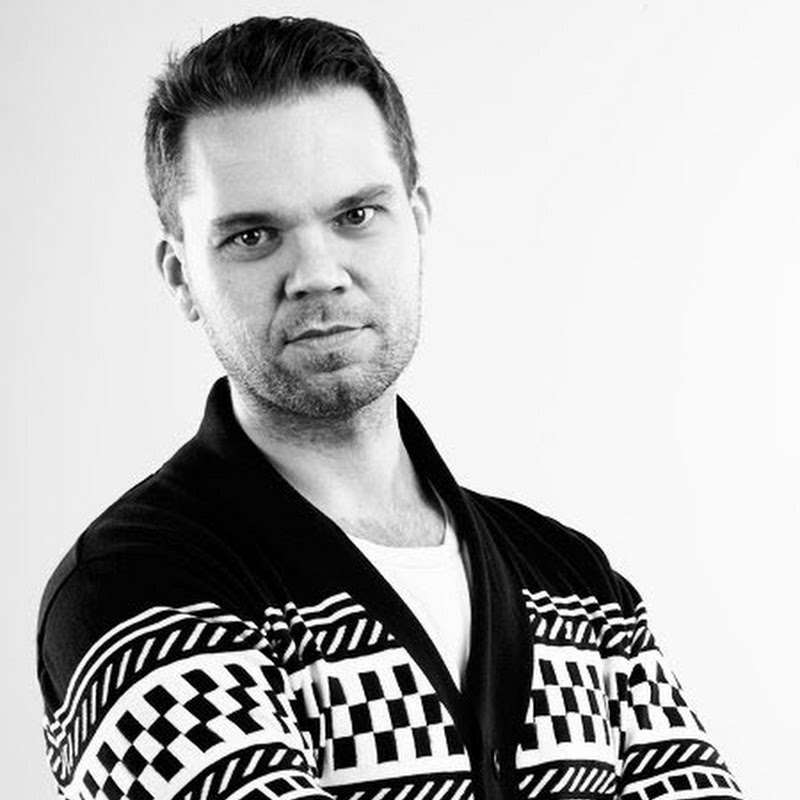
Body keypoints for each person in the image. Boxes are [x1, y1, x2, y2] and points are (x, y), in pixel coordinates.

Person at [37, 16, 743, 800]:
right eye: (253, 236)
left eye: (356, 215)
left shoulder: (577, 586)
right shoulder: (134, 593)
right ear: (180, 278)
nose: (317, 273)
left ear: (418, 223)